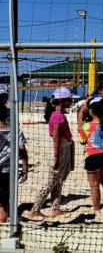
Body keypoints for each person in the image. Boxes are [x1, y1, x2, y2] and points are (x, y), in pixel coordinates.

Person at [30, 87, 77, 218]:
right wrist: (56, 157)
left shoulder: (58, 114)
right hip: (59, 151)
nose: (72, 102)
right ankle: (35, 209)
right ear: (62, 100)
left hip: (63, 149)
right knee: (51, 182)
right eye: (70, 100)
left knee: (58, 181)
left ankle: (55, 208)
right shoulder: (58, 116)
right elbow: (56, 138)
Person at [0, 92, 29, 223]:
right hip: (9, 171)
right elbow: (23, 151)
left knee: (3, 204)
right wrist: (25, 169)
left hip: (5, 170)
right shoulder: (16, 131)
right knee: (5, 202)